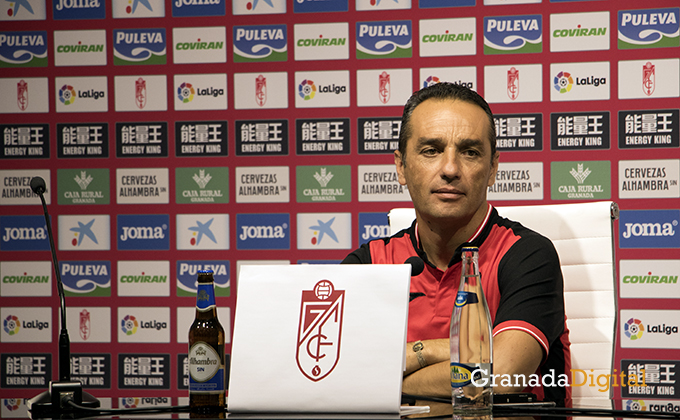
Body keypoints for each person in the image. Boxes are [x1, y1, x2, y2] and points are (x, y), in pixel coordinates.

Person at [342, 82, 571, 407]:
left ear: (492, 168)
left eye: (470, 152)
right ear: (400, 165)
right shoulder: (368, 264)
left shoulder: (528, 255)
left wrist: (405, 360)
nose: (450, 169)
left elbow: (500, 377)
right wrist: (460, 354)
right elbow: (339, 374)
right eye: (431, 150)